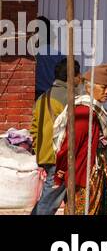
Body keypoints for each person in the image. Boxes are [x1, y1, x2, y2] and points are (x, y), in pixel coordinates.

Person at [53, 63, 107, 216]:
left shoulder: (96, 111)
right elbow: (68, 147)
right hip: (83, 178)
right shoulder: (84, 113)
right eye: (103, 87)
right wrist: (60, 174)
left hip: (94, 173)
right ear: (88, 88)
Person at [29, 58, 79, 215]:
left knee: (54, 196)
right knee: (49, 202)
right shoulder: (71, 98)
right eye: (78, 74)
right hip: (60, 157)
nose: (81, 78)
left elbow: (34, 129)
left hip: (45, 155)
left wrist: (39, 151)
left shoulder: (42, 97)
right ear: (72, 76)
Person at [33, 16, 61, 99]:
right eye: (52, 31)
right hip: (54, 98)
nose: (55, 36)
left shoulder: (30, 56)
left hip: (36, 97)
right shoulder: (60, 57)